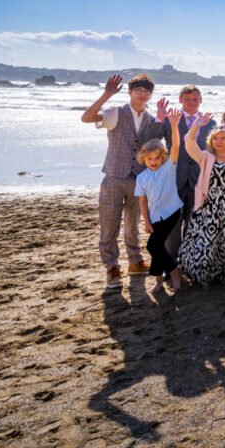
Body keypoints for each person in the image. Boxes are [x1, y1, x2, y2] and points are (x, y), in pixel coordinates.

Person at [81, 74, 164, 289]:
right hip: (114, 177)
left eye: (147, 91)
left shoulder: (152, 119)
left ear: (150, 94)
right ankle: (112, 267)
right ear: (130, 91)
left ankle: (135, 262)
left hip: (139, 179)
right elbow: (87, 118)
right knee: (109, 224)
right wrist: (106, 94)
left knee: (133, 224)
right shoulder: (115, 112)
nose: (142, 94)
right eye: (138, 90)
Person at [180, 113, 225, 285]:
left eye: (223, 138)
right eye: (216, 139)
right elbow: (189, 144)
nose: (219, 142)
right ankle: (205, 275)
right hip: (210, 206)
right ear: (211, 141)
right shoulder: (205, 157)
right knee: (208, 240)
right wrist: (196, 127)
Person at [153, 85, 216, 260]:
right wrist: (159, 118)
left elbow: (215, 149)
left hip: (198, 180)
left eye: (195, 99)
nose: (191, 103)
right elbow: (153, 139)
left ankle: (188, 261)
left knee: (194, 223)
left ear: (201, 100)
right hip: (173, 179)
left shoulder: (209, 123)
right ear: (180, 100)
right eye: (187, 99)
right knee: (172, 225)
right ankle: (172, 264)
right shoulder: (170, 119)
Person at [135, 108, 185, 293]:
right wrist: (146, 221)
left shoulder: (168, 168)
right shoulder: (142, 178)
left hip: (172, 211)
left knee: (153, 245)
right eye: (149, 159)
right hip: (155, 217)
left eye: (157, 158)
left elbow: (176, 147)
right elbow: (142, 201)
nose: (154, 161)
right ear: (144, 159)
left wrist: (173, 126)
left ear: (162, 157)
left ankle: (173, 272)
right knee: (157, 247)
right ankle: (158, 280)